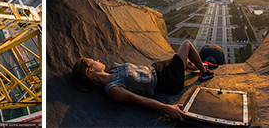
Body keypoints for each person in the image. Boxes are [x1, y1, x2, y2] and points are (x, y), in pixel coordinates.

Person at [72, 40, 214, 121]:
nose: (96, 60)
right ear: (90, 69)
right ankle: (204, 72)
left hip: (156, 68)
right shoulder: (113, 88)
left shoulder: (113, 69)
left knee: (185, 62)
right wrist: (167, 107)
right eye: (93, 61)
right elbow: (140, 100)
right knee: (186, 45)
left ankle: (201, 66)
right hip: (164, 80)